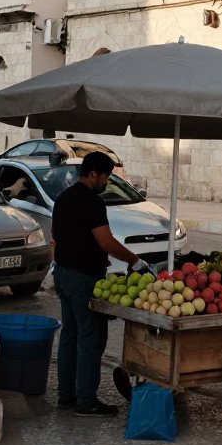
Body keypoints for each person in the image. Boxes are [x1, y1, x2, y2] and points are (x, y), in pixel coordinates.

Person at [52, 151, 142, 417]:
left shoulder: (64, 198)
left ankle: (66, 396)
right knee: (90, 339)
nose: (107, 183)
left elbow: (56, 236)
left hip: (63, 274)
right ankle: (86, 401)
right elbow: (106, 242)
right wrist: (133, 260)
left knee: (69, 335)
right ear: (93, 174)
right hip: (83, 279)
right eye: (106, 177)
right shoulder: (92, 202)